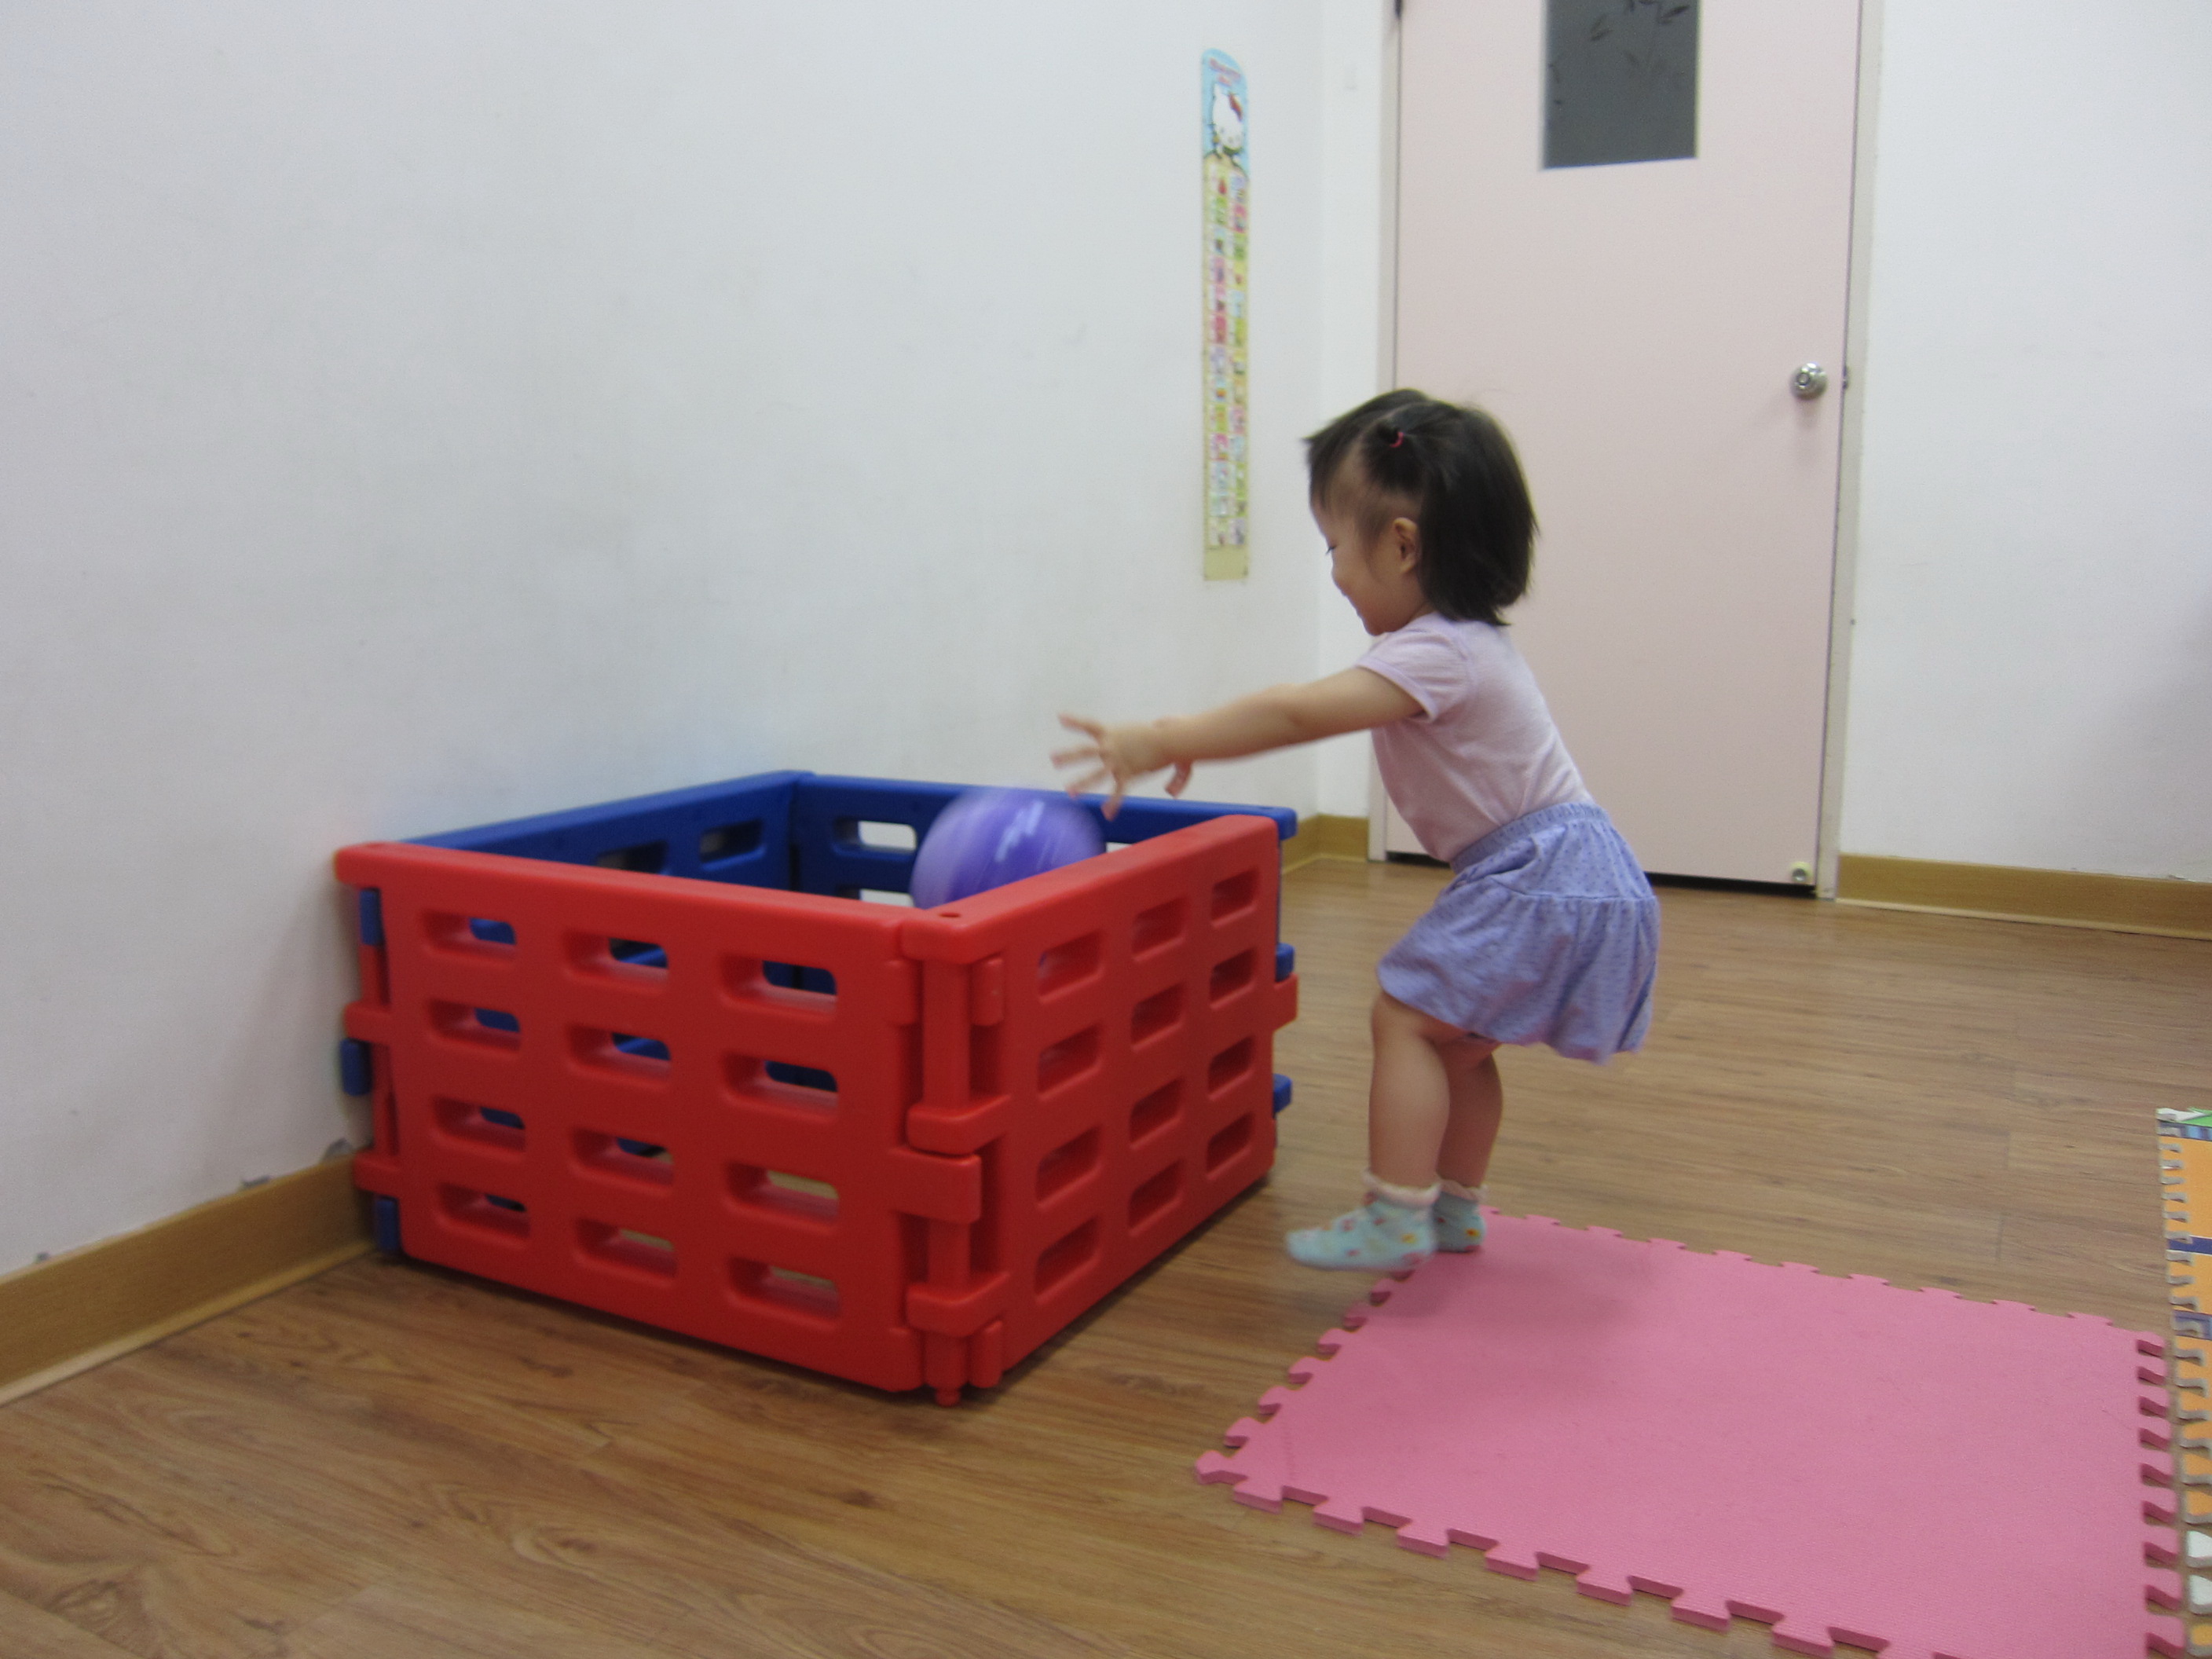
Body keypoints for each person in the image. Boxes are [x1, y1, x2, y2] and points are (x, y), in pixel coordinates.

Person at [1053, 390, 1658, 1272]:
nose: (1334, 571)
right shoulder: (1466, 644)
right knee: (1459, 1045)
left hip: (1539, 871)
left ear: (1402, 546)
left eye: (1335, 546)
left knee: (1405, 1019)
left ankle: (1394, 1213)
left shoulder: (1436, 650)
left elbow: (1298, 713)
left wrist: (1166, 740)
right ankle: (1453, 1207)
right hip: (1576, 869)